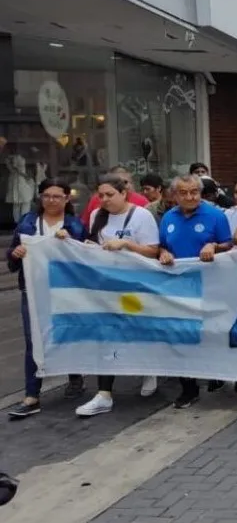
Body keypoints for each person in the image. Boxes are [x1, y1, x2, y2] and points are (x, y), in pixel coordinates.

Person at [75, 175, 161, 418]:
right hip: (107, 287)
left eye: (109, 195)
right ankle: (104, 393)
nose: (104, 200)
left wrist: (126, 245)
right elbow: (94, 245)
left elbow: (153, 251)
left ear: (124, 193)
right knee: (107, 335)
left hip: (136, 286)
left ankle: (149, 369)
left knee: (137, 331)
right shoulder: (96, 216)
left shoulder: (141, 215)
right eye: (100, 195)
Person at [6, 179, 87, 419]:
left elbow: (86, 258)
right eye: (46, 196)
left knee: (66, 334)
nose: (51, 200)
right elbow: (11, 260)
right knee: (34, 341)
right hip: (31, 292)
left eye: (57, 196)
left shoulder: (74, 225)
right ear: (40, 198)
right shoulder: (28, 223)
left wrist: (71, 241)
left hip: (65, 293)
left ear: (66, 199)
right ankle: (32, 395)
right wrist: (16, 253)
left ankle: (74, 377)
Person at [158, 175, 233, 408]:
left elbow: (229, 244)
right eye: (184, 193)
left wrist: (214, 246)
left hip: (211, 287)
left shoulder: (216, 216)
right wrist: (163, 252)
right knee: (182, 337)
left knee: (211, 334)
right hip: (179, 289)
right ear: (174, 195)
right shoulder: (168, 218)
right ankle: (188, 388)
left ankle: (217, 374)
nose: (190, 197)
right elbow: (161, 245)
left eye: (194, 192)